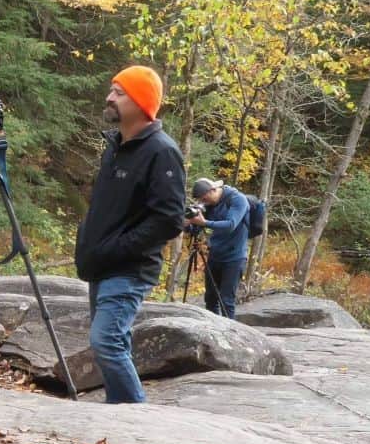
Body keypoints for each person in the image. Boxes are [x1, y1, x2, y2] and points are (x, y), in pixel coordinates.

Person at [74, 66, 186, 404]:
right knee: (110, 344)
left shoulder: (161, 152)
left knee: (106, 341)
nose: (109, 97)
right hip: (103, 264)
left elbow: (169, 219)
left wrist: (118, 248)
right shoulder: (117, 146)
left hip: (128, 268)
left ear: (141, 102)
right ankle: (119, 416)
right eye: (112, 90)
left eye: (119, 93)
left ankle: (137, 421)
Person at [186, 177, 249, 318]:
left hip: (234, 257)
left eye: (204, 198)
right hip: (215, 255)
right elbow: (196, 229)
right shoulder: (209, 204)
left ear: (213, 190)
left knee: (226, 301)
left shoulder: (237, 199)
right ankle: (212, 333)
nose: (203, 202)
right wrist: (187, 224)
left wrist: (204, 222)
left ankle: (231, 335)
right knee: (210, 299)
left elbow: (230, 225)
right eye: (201, 200)